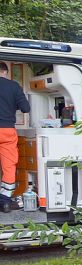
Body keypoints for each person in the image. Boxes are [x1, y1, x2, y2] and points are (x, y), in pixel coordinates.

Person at [0, 62, 31, 213]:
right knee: (9, 165)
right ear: (5, 72)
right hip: (7, 131)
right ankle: (5, 201)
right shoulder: (14, 86)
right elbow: (26, 108)